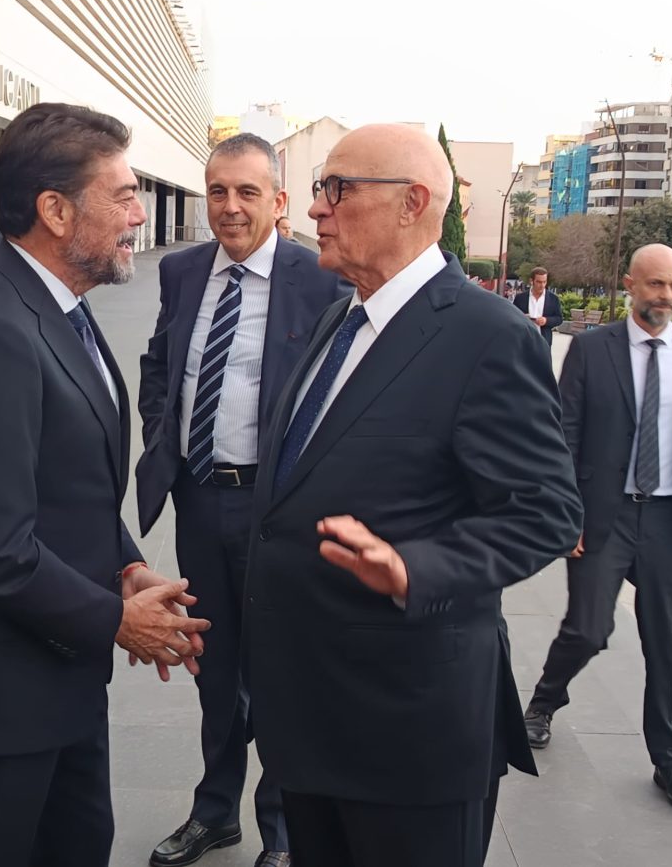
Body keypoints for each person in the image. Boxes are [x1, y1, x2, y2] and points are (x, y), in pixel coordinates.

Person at [243, 124, 583, 867]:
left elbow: (547, 511)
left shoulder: (487, 335)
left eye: (338, 189)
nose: (316, 207)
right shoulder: (341, 316)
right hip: (310, 717)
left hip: (410, 735)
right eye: (320, 189)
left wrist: (414, 569)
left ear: (412, 203)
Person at [0, 103, 211, 867]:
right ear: (56, 211)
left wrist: (124, 564)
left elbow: (68, 484)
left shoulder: (57, 306)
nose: (139, 215)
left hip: (59, 675)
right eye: (124, 196)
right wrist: (119, 620)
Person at [136, 132, 348, 867]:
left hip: (276, 509)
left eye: (247, 192)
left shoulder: (319, 280)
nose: (229, 207)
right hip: (201, 498)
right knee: (214, 663)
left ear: (279, 201)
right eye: (217, 191)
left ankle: (281, 831)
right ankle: (215, 811)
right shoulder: (182, 270)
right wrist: (162, 433)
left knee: (283, 669)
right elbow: (160, 363)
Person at [522, 243, 672, 817]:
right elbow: (564, 434)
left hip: (669, 520)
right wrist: (566, 513)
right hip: (605, 515)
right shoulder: (593, 350)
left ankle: (669, 759)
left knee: (667, 644)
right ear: (630, 284)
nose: (665, 296)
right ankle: (544, 702)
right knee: (588, 629)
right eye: (655, 284)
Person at [512, 267, 563, 345]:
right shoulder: (520, 298)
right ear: (531, 281)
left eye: (544, 282)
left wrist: (546, 320)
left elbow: (559, 319)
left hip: (544, 341)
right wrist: (523, 318)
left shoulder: (553, 299)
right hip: (524, 340)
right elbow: (513, 316)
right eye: (539, 282)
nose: (542, 285)